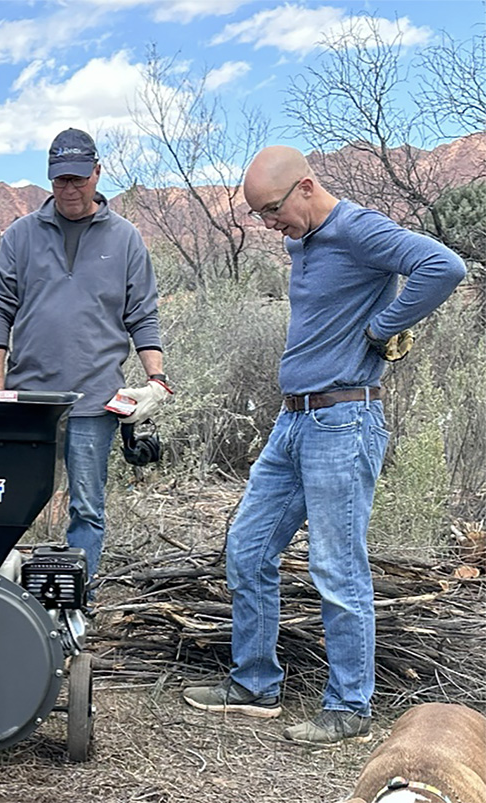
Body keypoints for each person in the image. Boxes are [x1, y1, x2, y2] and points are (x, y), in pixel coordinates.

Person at [183, 146, 465, 746]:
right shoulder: (302, 241)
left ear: (306, 187)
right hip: (292, 424)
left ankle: (349, 706)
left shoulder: (357, 229)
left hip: (343, 421)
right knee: (248, 548)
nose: (269, 225)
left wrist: (382, 327)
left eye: (272, 210)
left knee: (337, 567)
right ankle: (254, 683)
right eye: (259, 215)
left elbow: (443, 266)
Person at [0, 128, 169, 585]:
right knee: (11, 502)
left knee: (87, 505)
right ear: (50, 179)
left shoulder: (125, 238)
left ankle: (74, 602)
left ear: (97, 174)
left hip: (96, 401)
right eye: (61, 179)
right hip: (30, 402)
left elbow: (142, 315)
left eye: (79, 179)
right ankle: (5, 598)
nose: (70, 188)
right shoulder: (21, 236)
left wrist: (157, 380)